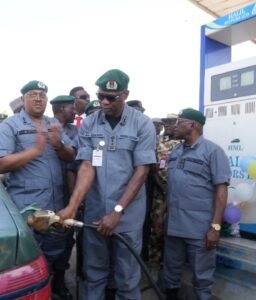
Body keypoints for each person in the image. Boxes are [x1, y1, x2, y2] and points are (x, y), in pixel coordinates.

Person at [58, 69, 157, 300]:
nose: (103, 101)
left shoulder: (142, 124)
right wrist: (73, 206)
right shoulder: (90, 123)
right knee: (94, 274)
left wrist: (117, 212)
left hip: (127, 216)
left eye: (111, 98)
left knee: (127, 277)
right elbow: (86, 167)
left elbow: (141, 171)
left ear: (125, 94)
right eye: (100, 95)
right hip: (95, 211)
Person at [0, 81, 75, 271]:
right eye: (32, 94)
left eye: (42, 95)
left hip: (55, 208)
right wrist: (35, 150)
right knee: (26, 262)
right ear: (23, 98)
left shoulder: (53, 123)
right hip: (27, 209)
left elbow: (72, 157)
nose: (38, 99)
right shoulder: (11, 124)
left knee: (52, 257)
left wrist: (59, 146)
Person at [159, 108, 230, 300]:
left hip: (199, 229)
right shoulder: (176, 151)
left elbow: (221, 192)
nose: (175, 126)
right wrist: (161, 215)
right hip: (173, 226)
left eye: (180, 121)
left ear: (193, 125)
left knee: (202, 278)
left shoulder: (213, 152)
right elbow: (172, 186)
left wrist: (215, 227)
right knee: (171, 273)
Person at [50, 95, 78, 300]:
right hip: (45, 193)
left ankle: (59, 282)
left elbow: (74, 160)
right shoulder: (44, 127)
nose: (75, 111)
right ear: (61, 108)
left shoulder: (74, 131)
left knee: (66, 241)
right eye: (72, 107)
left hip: (68, 195)